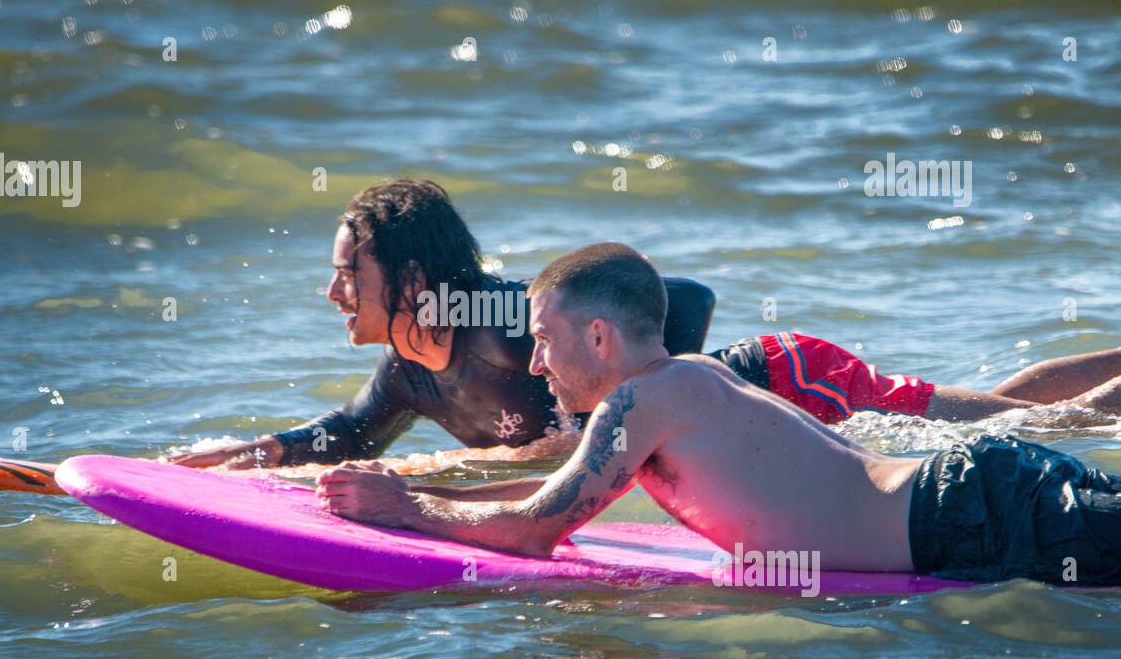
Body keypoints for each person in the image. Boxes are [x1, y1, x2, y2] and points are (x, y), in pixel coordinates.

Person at [172, 178, 1121, 469]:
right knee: (991, 410)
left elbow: (688, 300)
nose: (333, 292)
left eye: (350, 273)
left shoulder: (504, 318)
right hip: (753, 416)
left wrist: (641, 416)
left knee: (1016, 427)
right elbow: (335, 440)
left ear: (411, 276)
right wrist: (209, 461)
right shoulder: (408, 378)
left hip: (783, 386)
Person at [316, 243, 1121, 586]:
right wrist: (424, 496)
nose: (535, 365)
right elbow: (554, 495)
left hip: (971, 518)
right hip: (977, 496)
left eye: (546, 342)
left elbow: (537, 529)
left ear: (599, 336)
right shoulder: (682, 383)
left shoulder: (646, 399)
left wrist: (406, 507)